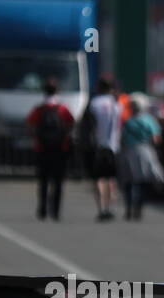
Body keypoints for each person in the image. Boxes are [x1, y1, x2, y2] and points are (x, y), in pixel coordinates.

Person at [25, 77, 74, 220]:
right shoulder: (62, 108)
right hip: (60, 148)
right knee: (58, 181)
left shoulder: (39, 108)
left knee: (43, 180)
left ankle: (42, 209)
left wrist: (36, 137)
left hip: (42, 148)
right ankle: (56, 210)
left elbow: (30, 124)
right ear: (57, 90)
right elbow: (71, 123)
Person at [118, 94, 164, 220]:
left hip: (129, 153)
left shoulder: (128, 121)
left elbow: (121, 139)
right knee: (142, 182)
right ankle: (138, 209)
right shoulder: (150, 120)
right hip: (145, 152)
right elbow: (156, 139)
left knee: (128, 182)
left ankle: (128, 209)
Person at [83, 76, 121, 220]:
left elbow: (88, 127)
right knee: (110, 177)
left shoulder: (94, 104)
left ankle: (101, 208)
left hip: (97, 146)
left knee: (98, 178)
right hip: (113, 145)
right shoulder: (116, 104)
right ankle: (109, 206)